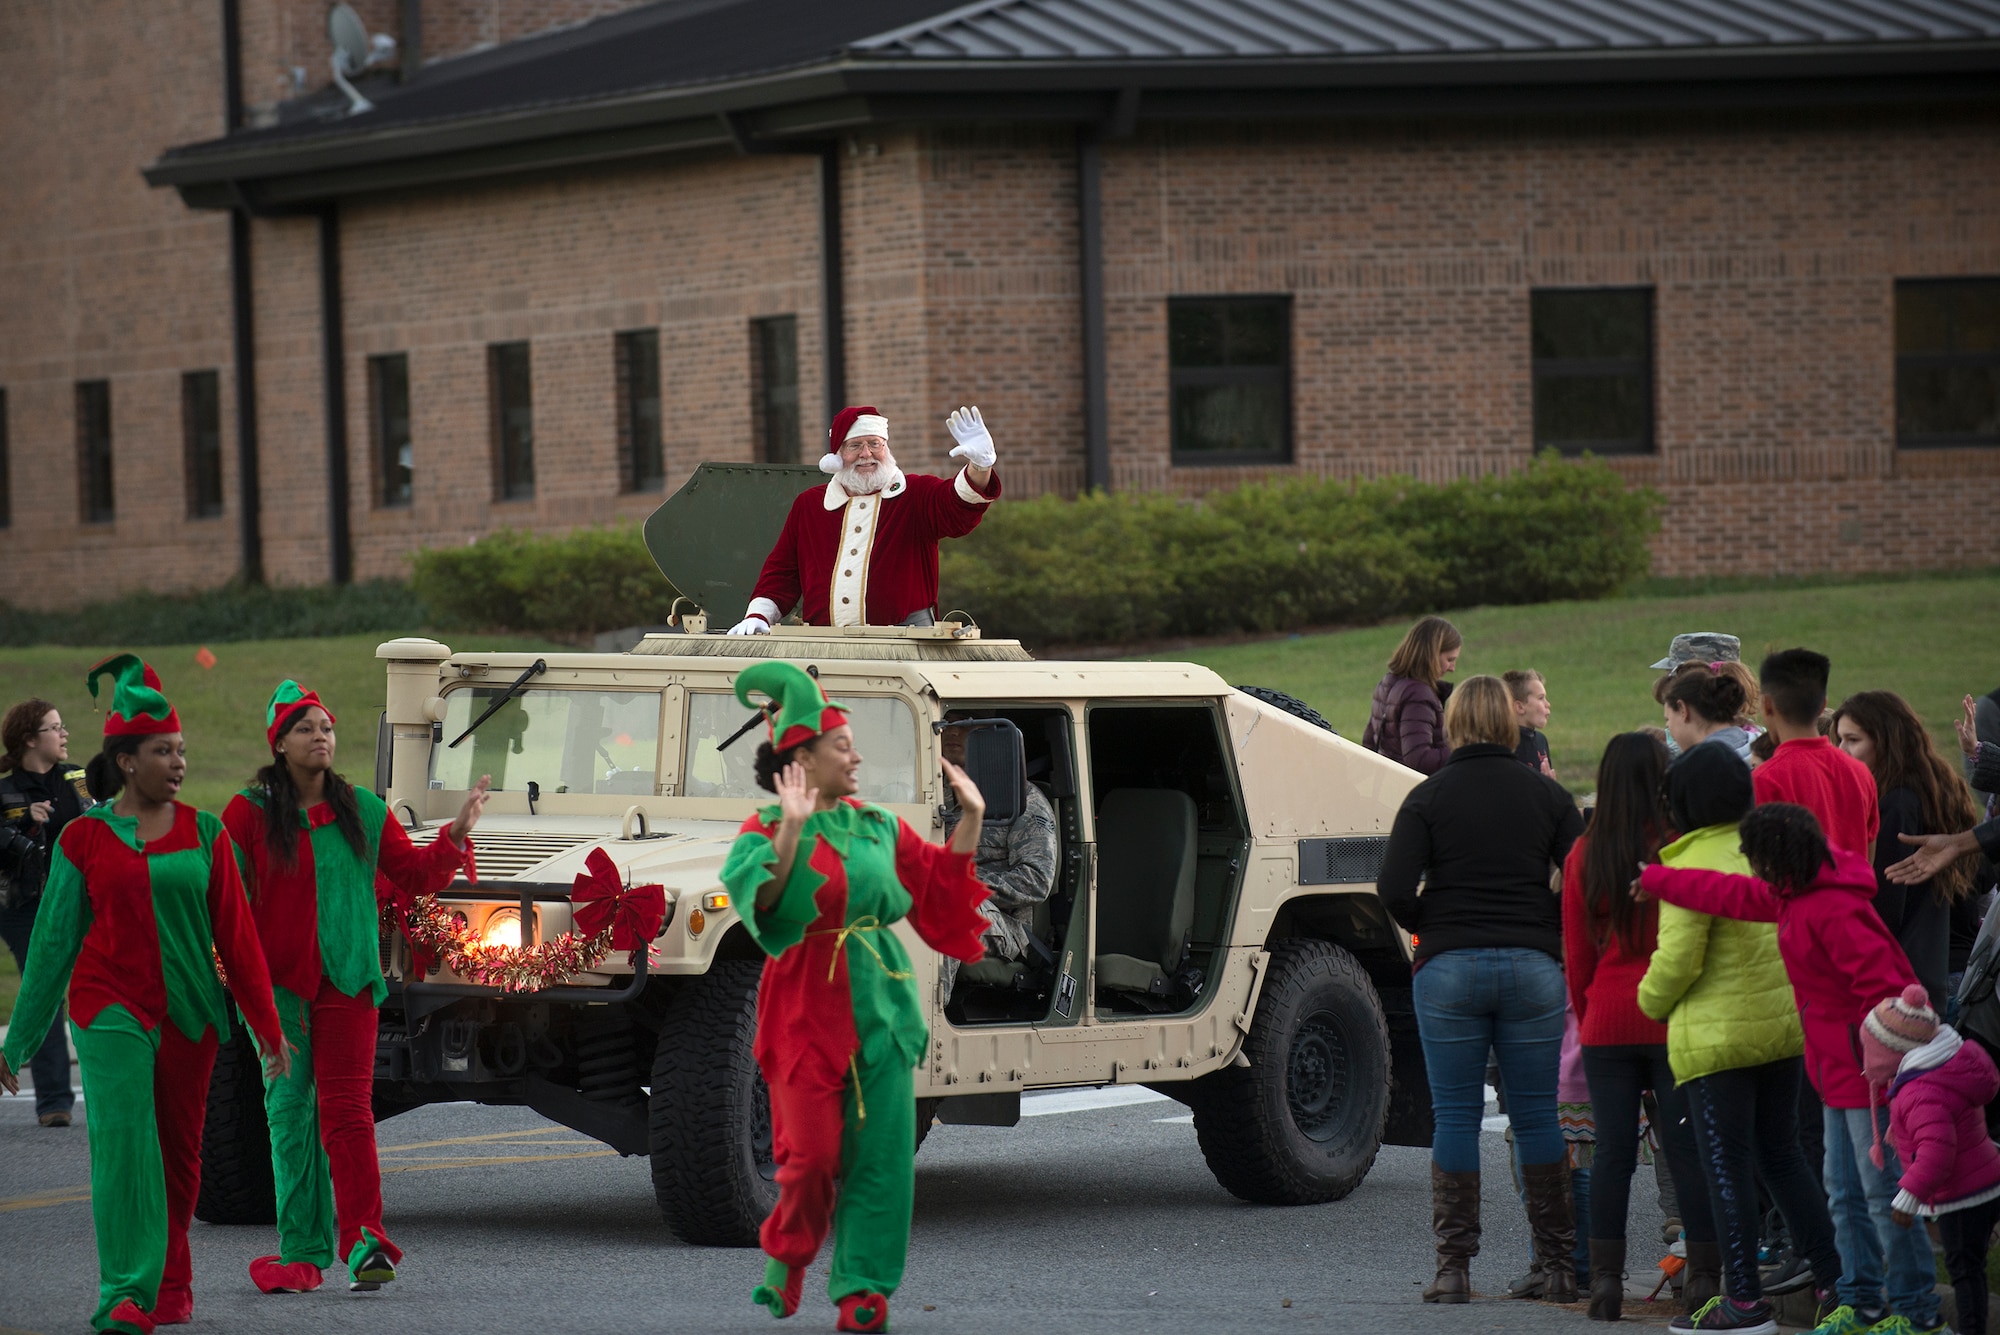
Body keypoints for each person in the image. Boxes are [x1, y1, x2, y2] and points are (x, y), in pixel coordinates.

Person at [0, 655, 288, 1335]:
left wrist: (267, 1029)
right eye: (164, 750)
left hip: (192, 1013)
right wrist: (17, 1038)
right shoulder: (84, 839)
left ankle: (171, 1280)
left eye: (182, 749)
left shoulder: (208, 833)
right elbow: (50, 948)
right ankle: (124, 1292)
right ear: (126, 761)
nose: (179, 761)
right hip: (109, 1008)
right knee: (126, 1143)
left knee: (181, 1158)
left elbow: (240, 945)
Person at [717, 661, 992, 1332]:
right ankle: (788, 1256)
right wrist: (789, 828)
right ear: (802, 757)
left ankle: (863, 1290)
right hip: (806, 1006)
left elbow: (938, 885)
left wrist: (973, 818)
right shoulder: (764, 827)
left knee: (883, 1158)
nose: (856, 754)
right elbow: (767, 908)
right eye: (842, 745)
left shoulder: (878, 827)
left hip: (882, 1005)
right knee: (810, 1157)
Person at [223, 681, 490, 1295]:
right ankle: (301, 1253)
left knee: (347, 1114)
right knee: (289, 1116)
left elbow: (416, 875)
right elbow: (226, 900)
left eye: (327, 727)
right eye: (306, 729)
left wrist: (454, 833)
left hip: (348, 985)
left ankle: (365, 1240)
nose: (321, 737)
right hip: (278, 994)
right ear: (281, 743)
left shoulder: (364, 810)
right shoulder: (249, 814)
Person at [1639, 803, 1939, 1335]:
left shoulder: (1831, 909)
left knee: (1881, 1195)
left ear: (1776, 859)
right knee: (1845, 1196)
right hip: (1834, 1075)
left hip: (1867, 1080)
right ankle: (1861, 1305)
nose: (1749, 868)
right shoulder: (1795, 896)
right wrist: (1659, 879)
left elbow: (1889, 988)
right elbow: (1729, 895)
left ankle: (1919, 1315)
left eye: (1754, 858)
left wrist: (1878, 1067)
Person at [1379, 674, 1585, 1304]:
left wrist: (1433, 926)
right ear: (1509, 723)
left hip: (1449, 968)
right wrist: (1544, 928)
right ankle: (1557, 1265)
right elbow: (1578, 880)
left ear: (1453, 724)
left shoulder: (1428, 796)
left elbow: (1391, 890)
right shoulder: (1549, 798)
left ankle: (1453, 1268)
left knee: (1457, 1117)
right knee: (1536, 1114)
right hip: (1531, 967)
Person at [1636, 745, 1840, 1335]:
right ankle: (1835, 1281)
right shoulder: (1767, 851)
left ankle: (1744, 1302)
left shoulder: (1689, 863)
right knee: (1784, 1159)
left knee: (1726, 1166)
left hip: (1717, 1041)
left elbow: (1677, 961)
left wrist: (1649, 1002)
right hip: (1781, 1031)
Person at [1565, 732, 1720, 1321]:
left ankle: (1605, 1282)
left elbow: (1577, 952)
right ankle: (1704, 1277)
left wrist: (1587, 1019)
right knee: (1687, 1151)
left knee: (1612, 1155)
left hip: (1607, 1017)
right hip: (1672, 1017)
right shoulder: (1679, 845)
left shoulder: (1586, 851)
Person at [729, 406, 1001, 633]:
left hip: (906, 643)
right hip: (824, 645)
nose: (866, 453)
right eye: (855, 446)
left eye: (874, 444)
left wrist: (980, 467)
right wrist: (758, 616)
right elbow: (783, 572)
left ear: (886, 448)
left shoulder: (915, 494)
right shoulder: (810, 505)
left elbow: (958, 508)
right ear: (838, 456)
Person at [1862, 986, 2000, 1335]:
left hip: (1963, 1194)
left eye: (1873, 1050)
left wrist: (1907, 1198)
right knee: (1971, 1264)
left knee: (1965, 1270)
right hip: (1981, 1180)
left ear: (1896, 1050)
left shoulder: (1921, 1091)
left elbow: (1937, 1151)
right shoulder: (1939, 1069)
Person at [1830, 691, 1981, 1006]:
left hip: (1902, 987)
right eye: (1840, 739)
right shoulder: (1932, 787)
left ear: (1886, 742)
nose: (1841, 751)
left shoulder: (1898, 805)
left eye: (1852, 740)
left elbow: (1885, 906)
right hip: (1935, 970)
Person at [0, 697, 90, 1126]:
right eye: (55, 728)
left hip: (78, 899)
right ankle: (54, 1102)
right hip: (24, 906)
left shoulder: (77, 778)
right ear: (30, 740)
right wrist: (24, 825)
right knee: (46, 986)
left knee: (95, 982)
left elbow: (101, 820)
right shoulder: (4, 792)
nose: (64, 733)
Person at [933, 714, 1058, 1001]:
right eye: (948, 721)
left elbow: (1036, 881)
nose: (954, 731)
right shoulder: (928, 795)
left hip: (1008, 924)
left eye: (967, 723)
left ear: (991, 735)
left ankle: (926, 1024)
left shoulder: (1021, 799)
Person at [1752, 650, 1878, 859]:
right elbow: (1868, 858)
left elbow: (1763, 864)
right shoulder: (1860, 773)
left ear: (1766, 705)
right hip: (1854, 892)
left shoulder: (1765, 779)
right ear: (1822, 706)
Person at [1362, 616, 1462, 776]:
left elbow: (1369, 742)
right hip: (1409, 790)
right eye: (1450, 659)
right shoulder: (1418, 695)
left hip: (1385, 785)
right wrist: (1462, 748)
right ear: (1432, 655)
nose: (1452, 668)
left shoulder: (1387, 683)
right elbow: (1420, 760)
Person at [1658, 663, 1757, 765]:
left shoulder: (1694, 768)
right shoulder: (1765, 747)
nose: (1667, 726)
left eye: (1668, 719)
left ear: (1683, 710)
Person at [1506, 669, 1556, 776]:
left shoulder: (1541, 740)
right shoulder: (1506, 743)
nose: (1548, 704)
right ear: (1520, 707)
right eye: (1541, 698)